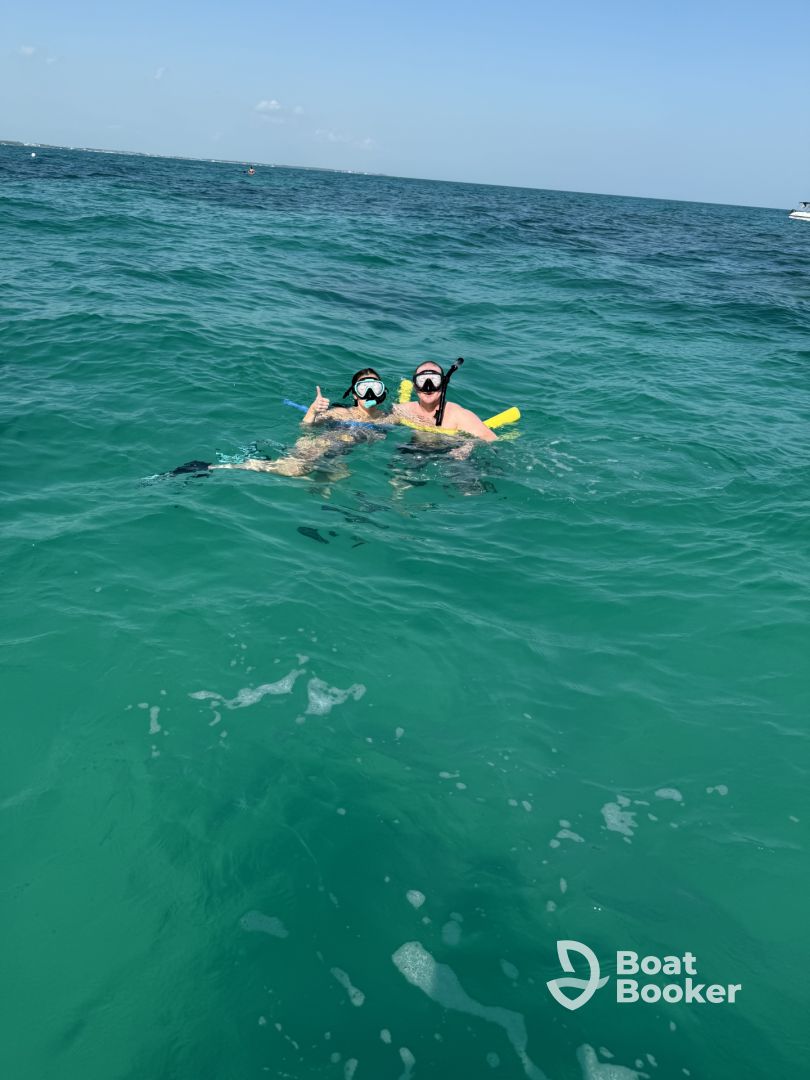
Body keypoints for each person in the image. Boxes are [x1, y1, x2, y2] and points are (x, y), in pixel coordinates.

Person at [211, 368, 390, 476]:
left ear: (381, 391)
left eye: (374, 387)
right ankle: (215, 467)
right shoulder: (341, 413)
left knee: (340, 475)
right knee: (295, 469)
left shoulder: (389, 417)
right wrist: (313, 410)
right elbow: (307, 426)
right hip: (319, 445)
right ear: (355, 394)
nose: (369, 393)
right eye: (363, 388)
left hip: (339, 455)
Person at [393, 362, 497, 443]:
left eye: (434, 380)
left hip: (449, 452)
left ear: (443, 384)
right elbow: (385, 422)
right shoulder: (403, 410)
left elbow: (490, 438)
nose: (428, 387)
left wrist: (468, 445)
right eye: (422, 380)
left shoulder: (458, 415)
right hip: (414, 448)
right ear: (415, 386)